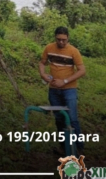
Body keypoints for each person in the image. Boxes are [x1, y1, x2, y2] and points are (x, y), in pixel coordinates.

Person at [39, 26, 86, 154]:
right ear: (55, 38)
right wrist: (43, 74)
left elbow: (82, 70)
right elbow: (42, 62)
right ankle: (64, 147)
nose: (61, 42)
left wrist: (64, 81)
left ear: (68, 38)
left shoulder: (73, 51)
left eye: (64, 40)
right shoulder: (49, 48)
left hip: (69, 89)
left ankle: (78, 149)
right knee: (59, 119)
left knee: (72, 118)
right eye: (58, 39)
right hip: (54, 90)